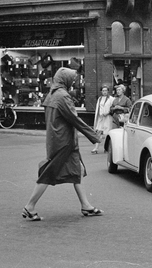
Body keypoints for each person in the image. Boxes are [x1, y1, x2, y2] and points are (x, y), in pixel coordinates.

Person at [22, 68, 103, 221]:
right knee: (48, 174)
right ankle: (30, 206)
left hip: (56, 140)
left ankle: (85, 205)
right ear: (65, 79)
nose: (73, 82)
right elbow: (75, 120)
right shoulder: (63, 96)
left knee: (77, 171)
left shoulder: (50, 95)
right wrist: (94, 136)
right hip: (65, 143)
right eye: (71, 79)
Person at [91, 85, 114, 154]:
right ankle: (96, 148)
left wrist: (108, 112)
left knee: (107, 133)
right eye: (103, 90)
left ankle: (106, 148)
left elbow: (113, 108)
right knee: (98, 132)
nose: (104, 92)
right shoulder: (100, 99)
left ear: (108, 91)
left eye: (106, 90)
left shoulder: (111, 99)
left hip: (108, 118)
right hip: (100, 118)